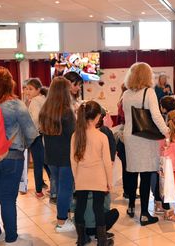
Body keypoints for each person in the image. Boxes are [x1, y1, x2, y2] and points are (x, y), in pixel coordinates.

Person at [123, 62, 170, 226]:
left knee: (131, 172)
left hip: (129, 135)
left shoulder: (126, 94)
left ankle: (130, 207)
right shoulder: (149, 92)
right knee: (144, 175)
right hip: (144, 136)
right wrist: (167, 131)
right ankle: (144, 214)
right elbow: (156, 117)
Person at [0, 66, 38, 245]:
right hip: (12, 156)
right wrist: (23, 146)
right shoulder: (16, 104)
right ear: (9, 83)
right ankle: (11, 238)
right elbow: (31, 132)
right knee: (7, 198)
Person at [70, 101, 113, 246]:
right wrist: (109, 181)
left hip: (82, 177)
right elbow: (107, 162)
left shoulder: (76, 135)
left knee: (80, 207)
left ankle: (81, 239)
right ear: (96, 117)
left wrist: (76, 178)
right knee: (98, 208)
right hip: (99, 178)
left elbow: (73, 161)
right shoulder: (102, 137)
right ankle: (101, 241)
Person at [39, 77, 76, 233]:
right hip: (66, 157)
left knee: (60, 188)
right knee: (65, 189)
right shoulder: (67, 112)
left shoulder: (45, 110)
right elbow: (74, 134)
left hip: (51, 157)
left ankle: (64, 216)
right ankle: (62, 221)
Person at [26, 78, 49, 198]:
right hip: (45, 135)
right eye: (26, 89)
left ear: (38, 90)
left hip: (36, 136)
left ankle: (39, 190)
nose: (27, 91)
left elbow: (34, 120)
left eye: (30, 89)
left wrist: (29, 134)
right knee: (45, 161)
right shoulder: (44, 99)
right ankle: (50, 186)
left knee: (38, 164)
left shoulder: (35, 101)